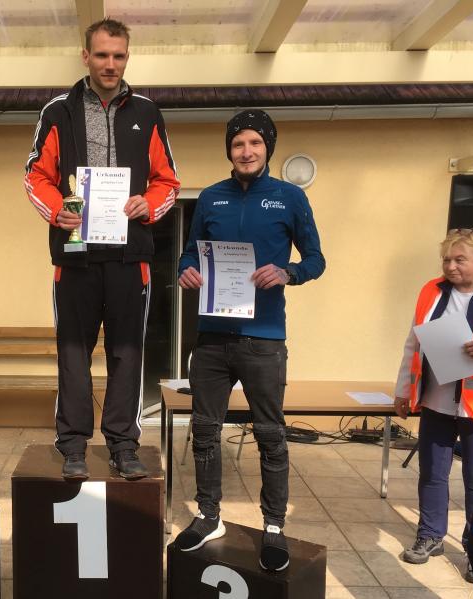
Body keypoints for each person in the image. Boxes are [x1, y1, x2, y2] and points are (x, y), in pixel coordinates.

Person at [24, 18, 180, 480]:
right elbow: (36, 176)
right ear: (86, 56)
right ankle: (73, 445)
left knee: (127, 353)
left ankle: (123, 445)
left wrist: (148, 204)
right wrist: (58, 210)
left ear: (126, 57)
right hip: (75, 256)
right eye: (102, 55)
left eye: (119, 55)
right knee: (73, 353)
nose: (110, 64)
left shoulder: (148, 112)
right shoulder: (59, 111)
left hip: (131, 259)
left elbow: (168, 181)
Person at [174, 110, 325, 572]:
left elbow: (316, 259)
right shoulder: (210, 198)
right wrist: (186, 270)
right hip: (212, 337)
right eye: (238, 144)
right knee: (205, 429)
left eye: (255, 143)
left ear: (268, 149)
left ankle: (274, 525)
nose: (246, 151)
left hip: (264, 339)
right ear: (229, 150)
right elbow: (188, 252)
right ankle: (209, 515)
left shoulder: (290, 197)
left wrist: (288, 272)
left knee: (270, 434)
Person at [394, 228, 473, 583]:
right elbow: (413, 342)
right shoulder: (432, 290)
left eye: (460, 259)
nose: (451, 266)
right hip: (436, 398)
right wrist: (402, 390)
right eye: (446, 259)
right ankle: (430, 535)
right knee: (432, 472)